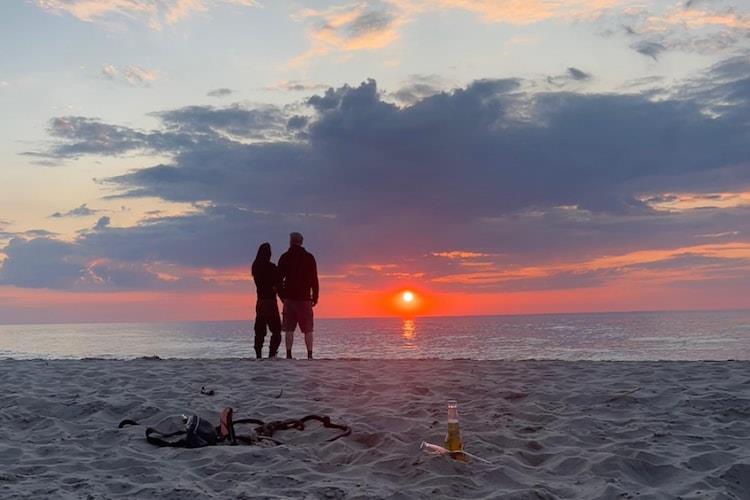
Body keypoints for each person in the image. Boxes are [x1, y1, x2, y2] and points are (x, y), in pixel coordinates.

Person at [278, 232, 319, 359]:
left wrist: (282, 296)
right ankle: (310, 355)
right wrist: (315, 296)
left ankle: (289, 354)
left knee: (289, 329)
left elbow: (278, 279)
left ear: (291, 241)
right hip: (305, 298)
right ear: (301, 242)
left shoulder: (285, 257)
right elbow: (314, 279)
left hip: (289, 298)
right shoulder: (309, 257)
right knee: (308, 329)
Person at [251, 242, 282, 359]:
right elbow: (278, 283)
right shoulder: (272, 267)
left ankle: (258, 354)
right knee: (276, 330)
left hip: (260, 301)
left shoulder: (255, 267)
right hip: (271, 302)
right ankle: (272, 354)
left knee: (259, 330)